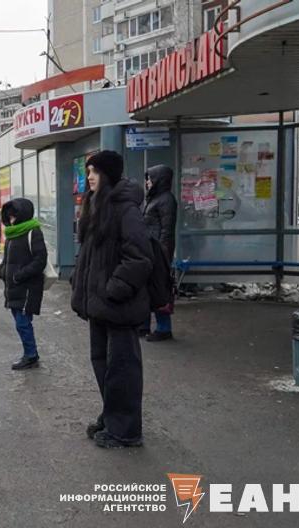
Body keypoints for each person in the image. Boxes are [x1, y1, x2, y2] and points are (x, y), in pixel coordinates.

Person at [70, 150, 152, 449]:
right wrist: (80, 282)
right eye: (88, 171)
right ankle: (113, 416)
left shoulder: (125, 209)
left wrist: (114, 289)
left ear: (108, 174)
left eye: (95, 172)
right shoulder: (97, 205)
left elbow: (139, 258)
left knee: (122, 370)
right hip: (100, 306)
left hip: (118, 305)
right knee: (103, 364)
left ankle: (126, 431)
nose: (89, 177)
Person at [0, 198, 48, 370]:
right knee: (20, 322)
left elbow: (40, 260)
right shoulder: (12, 233)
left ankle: (31, 355)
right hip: (13, 286)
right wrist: (2, 271)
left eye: (14, 215)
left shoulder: (33, 232)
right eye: (9, 216)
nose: (11, 219)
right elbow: (7, 259)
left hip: (27, 286)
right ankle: (30, 353)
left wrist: (19, 275)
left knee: (22, 322)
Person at [142, 165, 177, 342]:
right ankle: (144, 326)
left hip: (158, 252)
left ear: (158, 180)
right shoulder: (154, 199)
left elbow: (167, 230)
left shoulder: (166, 200)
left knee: (159, 290)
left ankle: (164, 328)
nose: (147, 182)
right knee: (148, 289)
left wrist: (164, 254)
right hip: (150, 250)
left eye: (150, 178)